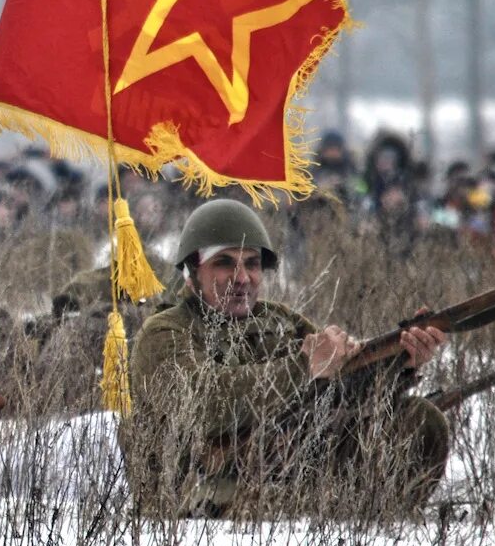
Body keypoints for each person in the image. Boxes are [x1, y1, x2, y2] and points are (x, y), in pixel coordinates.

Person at [123, 198, 450, 518]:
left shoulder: (281, 322)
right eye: (224, 263)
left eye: (251, 264)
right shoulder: (164, 332)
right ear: (192, 271)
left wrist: (398, 363)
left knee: (419, 420)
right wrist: (303, 368)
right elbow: (203, 405)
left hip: (288, 479)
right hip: (198, 499)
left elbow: (339, 391)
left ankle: (371, 520)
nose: (242, 278)